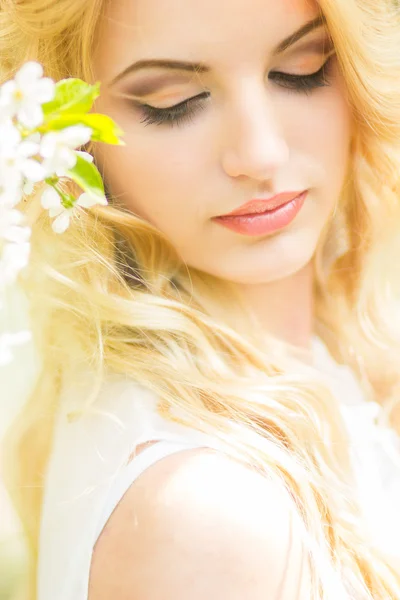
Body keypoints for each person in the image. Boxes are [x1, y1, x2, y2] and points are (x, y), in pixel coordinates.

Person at [1, 0, 400, 598]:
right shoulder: (205, 513)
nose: (261, 153)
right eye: (173, 104)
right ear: (68, 139)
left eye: (302, 69)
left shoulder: (335, 362)